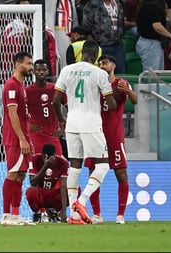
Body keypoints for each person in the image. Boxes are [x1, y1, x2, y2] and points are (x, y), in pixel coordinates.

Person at [53, 40, 117, 225]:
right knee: (103, 165)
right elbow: (111, 105)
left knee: (75, 165)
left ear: (81, 53)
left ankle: (74, 216)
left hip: (72, 122)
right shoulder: (99, 73)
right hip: (91, 123)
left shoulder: (66, 70)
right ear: (97, 56)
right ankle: (81, 202)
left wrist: (62, 121)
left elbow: (56, 100)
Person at [84, 54, 138, 225]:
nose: (101, 65)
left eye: (105, 63)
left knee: (121, 174)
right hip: (96, 135)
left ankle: (120, 215)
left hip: (114, 136)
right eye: (99, 63)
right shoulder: (94, 84)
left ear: (113, 65)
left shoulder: (121, 83)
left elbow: (135, 101)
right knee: (93, 174)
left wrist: (128, 91)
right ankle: (97, 214)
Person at [0, 51, 35, 226]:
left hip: (23, 137)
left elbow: (23, 115)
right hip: (14, 138)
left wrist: (28, 138)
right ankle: (6, 215)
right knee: (13, 174)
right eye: (28, 64)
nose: (31, 67)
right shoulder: (11, 85)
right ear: (18, 64)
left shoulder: (20, 85)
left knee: (20, 175)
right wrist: (21, 139)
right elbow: (12, 114)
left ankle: (15, 214)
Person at [26, 59, 67, 158]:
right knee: (36, 168)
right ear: (34, 72)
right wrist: (28, 126)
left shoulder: (55, 89)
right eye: (38, 70)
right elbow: (18, 112)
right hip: (36, 137)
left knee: (58, 166)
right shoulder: (27, 91)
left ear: (48, 71)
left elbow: (71, 107)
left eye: (44, 70)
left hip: (53, 135)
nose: (41, 72)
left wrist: (63, 129)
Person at [25, 143, 69, 223]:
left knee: (75, 190)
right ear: (43, 155)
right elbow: (33, 182)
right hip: (41, 194)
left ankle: (57, 212)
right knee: (30, 191)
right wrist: (45, 166)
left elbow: (63, 186)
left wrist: (64, 211)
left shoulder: (63, 162)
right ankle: (38, 214)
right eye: (45, 157)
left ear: (55, 155)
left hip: (54, 195)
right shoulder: (34, 159)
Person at [82, 0, 126, 74]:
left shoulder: (118, 4)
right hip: (100, 45)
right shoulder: (92, 5)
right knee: (100, 73)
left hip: (118, 45)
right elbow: (86, 26)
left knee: (119, 73)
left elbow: (121, 23)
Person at [136, 0, 171, 71]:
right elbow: (157, 26)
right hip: (150, 44)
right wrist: (170, 35)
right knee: (152, 75)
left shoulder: (148, 6)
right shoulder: (152, 8)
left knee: (158, 73)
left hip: (154, 43)